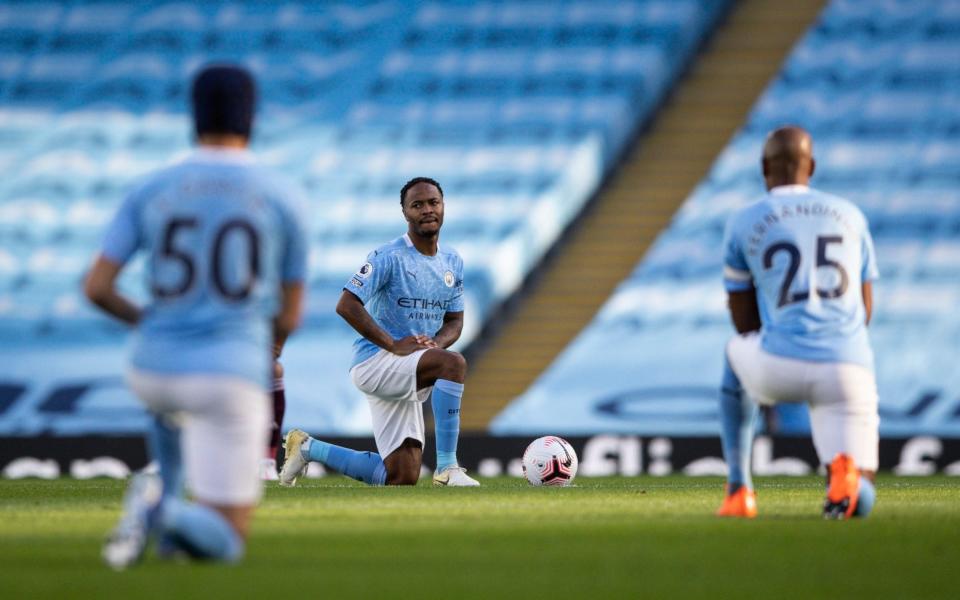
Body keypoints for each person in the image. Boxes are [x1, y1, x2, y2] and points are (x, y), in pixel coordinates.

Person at [86, 64, 308, 568]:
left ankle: (166, 514)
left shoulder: (152, 187)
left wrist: (150, 323)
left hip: (152, 369)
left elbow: (97, 287)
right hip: (226, 375)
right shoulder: (281, 195)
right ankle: (159, 511)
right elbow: (290, 314)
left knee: (171, 403)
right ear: (252, 117)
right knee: (226, 543)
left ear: (194, 116)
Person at [717, 126, 879, 519]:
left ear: (763, 167)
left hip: (779, 362)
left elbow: (742, 321)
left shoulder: (745, 220)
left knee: (733, 355)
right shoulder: (850, 215)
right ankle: (846, 478)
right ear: (813, 166)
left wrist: (780, 338)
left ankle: (739, 489)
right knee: (861, 498)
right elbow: (865, 308)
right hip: (846, 367)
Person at [279, 177, 479, 487]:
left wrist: (435, 344)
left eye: (433, 203)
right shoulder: (389, 256)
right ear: (405, 212)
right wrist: (393, 345)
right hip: (376, 362)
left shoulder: (452, 261)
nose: (427, 210)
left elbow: (455, 320)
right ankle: (448, 468)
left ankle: (307, 448)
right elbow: (346, 304)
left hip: (410, 366)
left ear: (443, 206)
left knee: (400, 476)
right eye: (417, 205)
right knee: (453, 364)